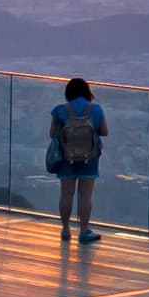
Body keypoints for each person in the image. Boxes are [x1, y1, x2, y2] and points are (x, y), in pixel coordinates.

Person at [47, 78, 110, 246]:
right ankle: (83, 230)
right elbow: (104, 131)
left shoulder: (60, 110)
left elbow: (52, 133)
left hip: (66, 158)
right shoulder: (95, 109)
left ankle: (65, 229)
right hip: (90, 158)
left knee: (66, 193)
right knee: (85, 195)